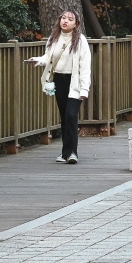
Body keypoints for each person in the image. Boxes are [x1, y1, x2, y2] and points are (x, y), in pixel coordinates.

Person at [26, 10, 91, 164]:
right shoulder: (54, 39)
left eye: (70, 19)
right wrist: (36, 60)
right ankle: (65, 153)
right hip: (59, 80)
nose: (65, 21)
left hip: (74, 82)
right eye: (63, 18)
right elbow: (48, 58)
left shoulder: (80, 41)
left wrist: (84, 89)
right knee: (64, 116)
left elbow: (85, 66)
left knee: (71, 115)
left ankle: (72, 153)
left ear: (76, 24)